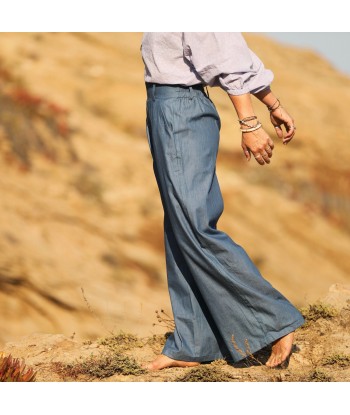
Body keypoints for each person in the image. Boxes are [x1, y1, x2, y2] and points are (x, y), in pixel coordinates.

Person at [141, 32, 304, 370]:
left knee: (194, 225)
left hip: (179, 109)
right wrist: (273, 104)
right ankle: (194, 344)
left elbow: (226, 59)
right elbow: (233, 53)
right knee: (180, 226)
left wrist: (250, 123)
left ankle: (276, 319)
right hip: (165, 106)